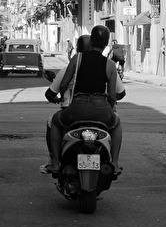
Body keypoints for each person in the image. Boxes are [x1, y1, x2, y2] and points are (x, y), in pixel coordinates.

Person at [45, 24, 126, 175]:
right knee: (117, 123)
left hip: (77, 109)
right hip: (101, 110)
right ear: (107, 43)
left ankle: (55, 163)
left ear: (92, 41)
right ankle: (114, 163)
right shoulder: (110, 65)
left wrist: (64, 98)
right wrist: (109, 108)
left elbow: (63, 84)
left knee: (55, 122)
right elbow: (113, 96)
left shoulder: (78, 58)